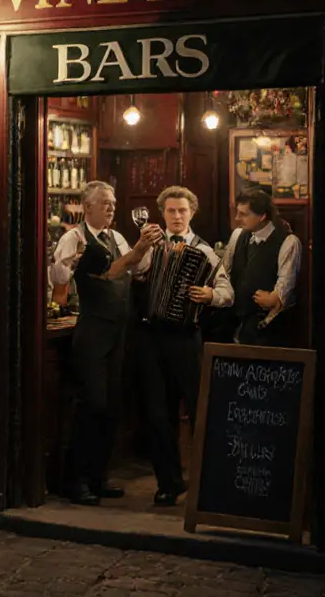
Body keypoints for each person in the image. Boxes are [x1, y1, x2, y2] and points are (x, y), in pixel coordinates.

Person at [50, 180, 162, 506]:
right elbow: (56, 279)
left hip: (119, 331)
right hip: (93, 330)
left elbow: (140, 267)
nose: (111, 208)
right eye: (105, 203)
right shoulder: (75, 237)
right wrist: (70, 261)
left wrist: (147, 246)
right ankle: (75, 481)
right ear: (87, 207)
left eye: (113, 203)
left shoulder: (117, 237)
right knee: (92, 405)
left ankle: (98, 477)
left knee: (111, 408)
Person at [133, 186, 234, 506]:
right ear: (162, 213)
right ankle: (168, 483)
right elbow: (135, 272)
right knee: (157, 414)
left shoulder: (205, 251)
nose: (177, 217)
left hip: (186, 338)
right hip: (151, 337)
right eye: (171, 211)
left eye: (182, 211)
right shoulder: (150, 245)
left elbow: (227, 291)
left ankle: (210, 482)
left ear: (192, 213)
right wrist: (138, 252)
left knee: (197, 407)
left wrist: (209, 296)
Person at [220, 187, 303, 347]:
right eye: (237, 212)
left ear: (262, 216)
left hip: (267, 330)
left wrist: (275, 297)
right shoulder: (238, 235)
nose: (237, 218)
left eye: (244, 214)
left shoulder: (288, 241)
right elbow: (225, 270)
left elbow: (284, 288)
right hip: (234, 321)